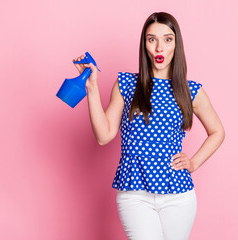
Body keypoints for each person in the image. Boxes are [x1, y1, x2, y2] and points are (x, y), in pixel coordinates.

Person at [73, 12, 225, 240]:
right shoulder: (126, 84)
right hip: (134, 193)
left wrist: (193, 163)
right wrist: (92, 87)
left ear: (176, 44)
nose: (159, 47)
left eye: (167, 39)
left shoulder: (190, 90)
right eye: (151, 39)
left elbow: (217, 132)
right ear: (144, 44)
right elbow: (104, 135)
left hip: (178, 195)